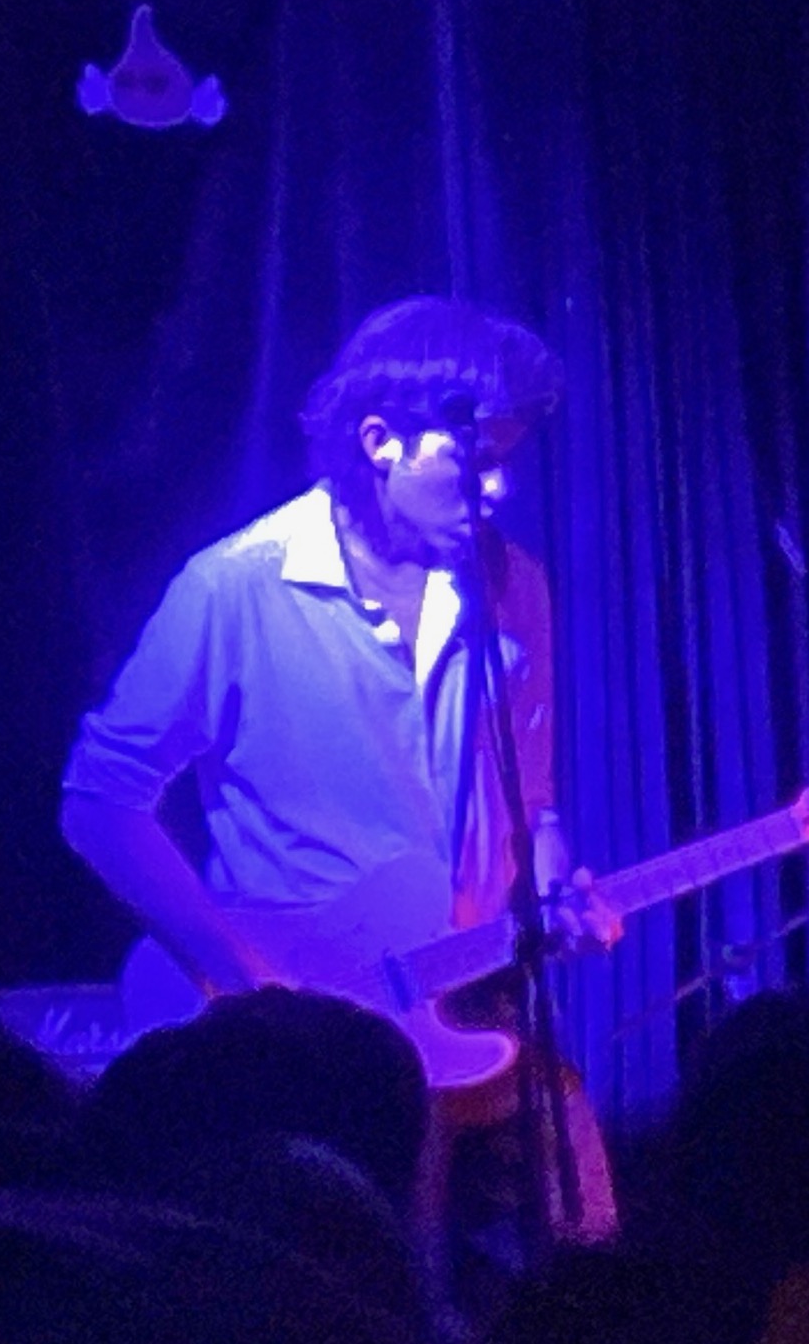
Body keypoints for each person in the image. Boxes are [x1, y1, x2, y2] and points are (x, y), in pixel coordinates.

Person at [56, 296, 617, 1271]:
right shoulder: (236, 585)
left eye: (510, 459)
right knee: (378, 1278)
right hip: (308, 1045)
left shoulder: (513, 583)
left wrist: (556, 889)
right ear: (379, 441)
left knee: (591, 1244)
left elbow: (533, 805)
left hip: (474, 1003)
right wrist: (241, 979)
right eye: (476, 460)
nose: (500, 487)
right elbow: (100, 802)